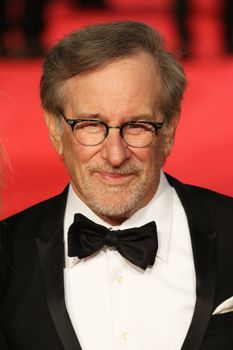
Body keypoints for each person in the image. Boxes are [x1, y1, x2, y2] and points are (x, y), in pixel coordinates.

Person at [0, 21, 232, 350]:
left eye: (137, 125)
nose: (115, 154)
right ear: (55, 128)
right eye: (91, 125)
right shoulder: (7, 252)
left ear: (168, 129)